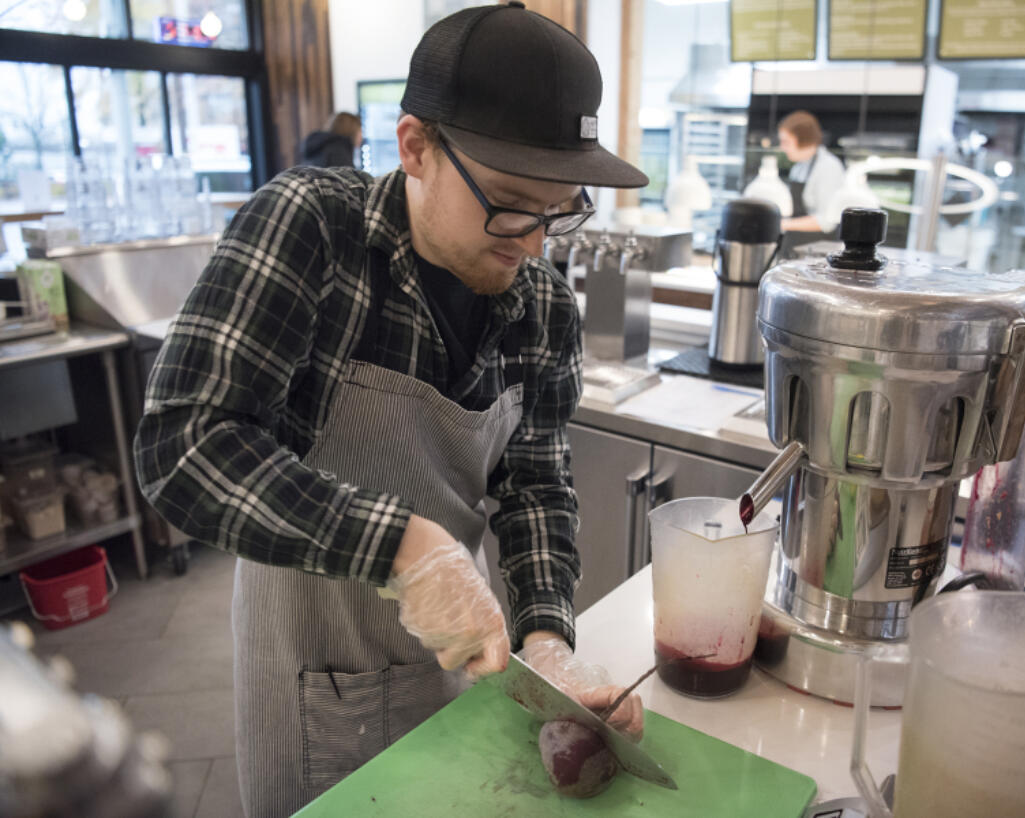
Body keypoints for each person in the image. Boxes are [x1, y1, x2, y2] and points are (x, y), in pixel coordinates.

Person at [134, 4, 648, 816]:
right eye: (512, 202)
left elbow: (535, 489)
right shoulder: (314, 231)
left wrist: (547, 637)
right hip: (311, 668)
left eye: (560, 210)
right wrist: (405, 547)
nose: (533, 241)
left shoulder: (544, 308)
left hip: (453, 658)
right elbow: (185, 444)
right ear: (416, 147)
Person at [777, 110, 845, 234]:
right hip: (795, 241)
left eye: (786, 142)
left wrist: (782, 224)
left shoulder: (828, 167)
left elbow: (827, 221)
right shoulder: (798, 167)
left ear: (803, 140)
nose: (782, 148)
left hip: (819, 245)